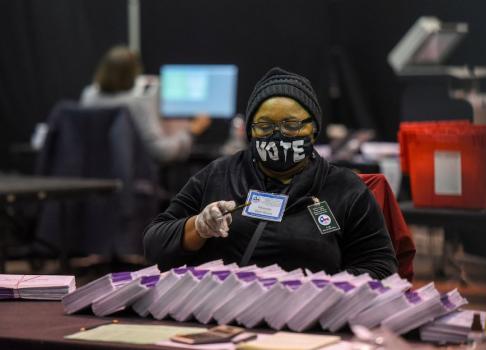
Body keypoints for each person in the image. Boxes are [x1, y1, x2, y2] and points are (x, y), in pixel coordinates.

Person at [143, 67, 397, 279]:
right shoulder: (219, 175)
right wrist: (197, 227)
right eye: (265, 126)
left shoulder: (344, 188)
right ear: (251, 131)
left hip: (307, 324)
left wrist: (323, 292)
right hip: (221, 317)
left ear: (313, 129)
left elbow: (381, 269)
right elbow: (154, 246)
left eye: (291, 125)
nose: (278, 135)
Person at [80, 45, 210, 163]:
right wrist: (191, 131)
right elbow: (162, 152)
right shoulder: (136, 104)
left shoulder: (88, 97)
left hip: (91, 175)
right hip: (131, 179)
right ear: (134, 73)